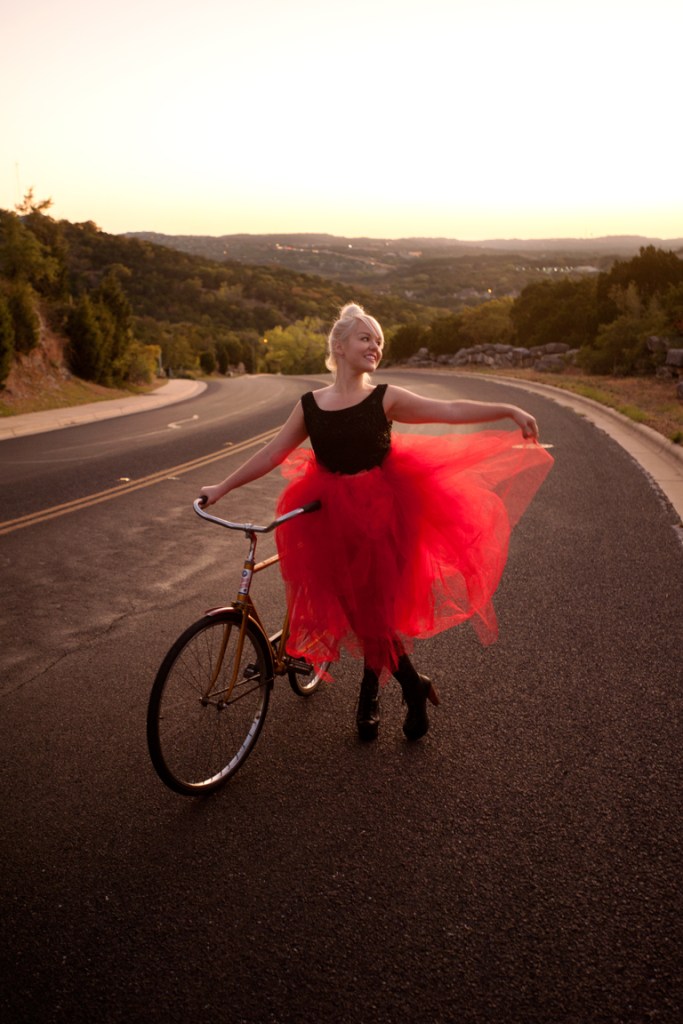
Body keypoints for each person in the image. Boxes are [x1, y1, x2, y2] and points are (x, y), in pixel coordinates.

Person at [200, 303, 553, 743]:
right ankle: (412, 685)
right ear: (340, 346)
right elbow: (272, 454)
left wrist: (507, 408)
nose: (375, 347)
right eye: (366, 338)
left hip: (385, 515)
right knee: (355, 609)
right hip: (328, 517)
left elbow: (448, 409)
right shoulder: (310, 405)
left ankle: (371, 693)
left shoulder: (384, 397)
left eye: (379, 341)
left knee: (374, 611)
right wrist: (222, 487)